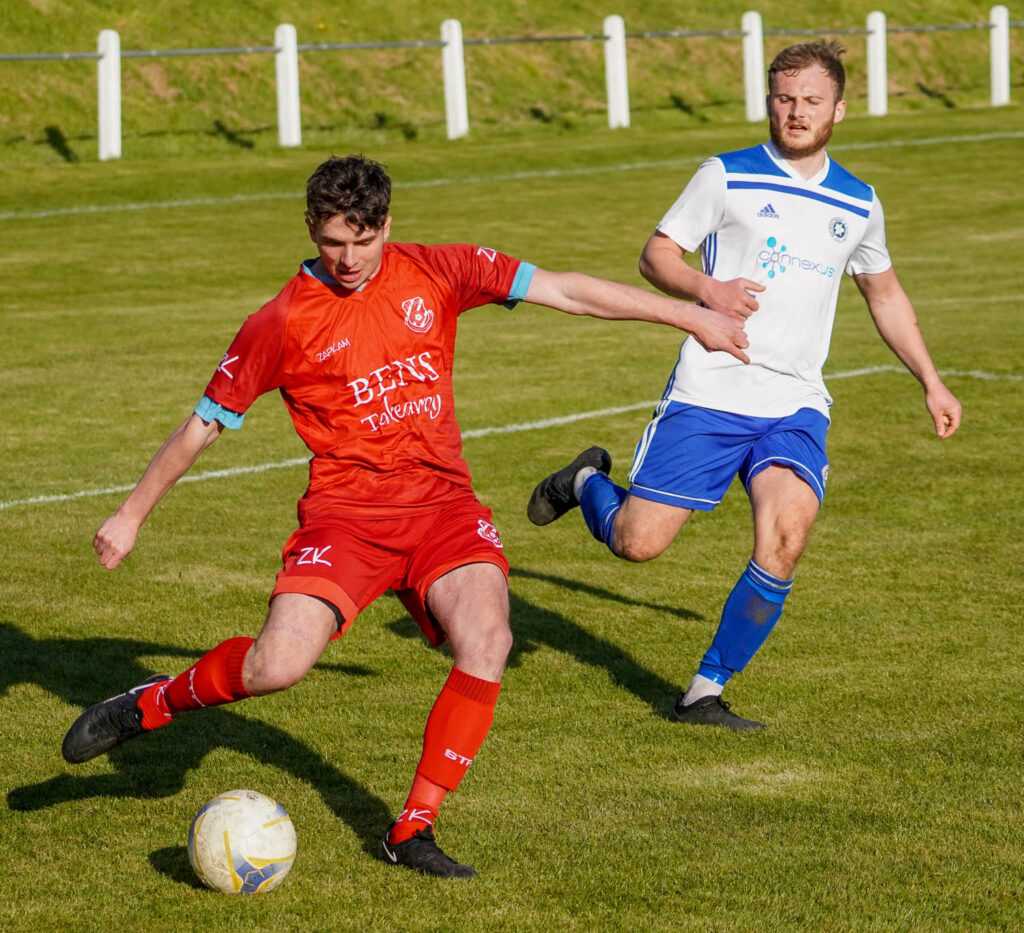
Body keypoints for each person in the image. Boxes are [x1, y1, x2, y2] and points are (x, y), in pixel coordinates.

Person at [62, 154, 750, 879]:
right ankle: (154, 702)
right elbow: (204, 423)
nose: (350, 258)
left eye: (364, 239)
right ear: (311, 230)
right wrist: (131, 513)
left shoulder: (437, 270)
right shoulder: (281, 320)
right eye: (333, 242)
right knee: (276, 666)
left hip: (443, 509)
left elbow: (565, 290)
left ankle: (411, 828)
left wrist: (687, 313)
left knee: (488, 640)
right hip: (345, 519)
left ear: (388, 224)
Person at [527, 41, 961, 731]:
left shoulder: (859, 201)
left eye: (811, 101)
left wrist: (931, 380)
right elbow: (655, 255)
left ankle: (704, 689)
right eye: (784, 98)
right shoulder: (725, 177)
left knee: (786, 536)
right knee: (637, 543)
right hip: (710, 391)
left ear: (839, 109)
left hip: (794, 402)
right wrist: (706, 287)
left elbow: (884, 293)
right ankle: (584, 483)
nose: (795, 112)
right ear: (769, 101)